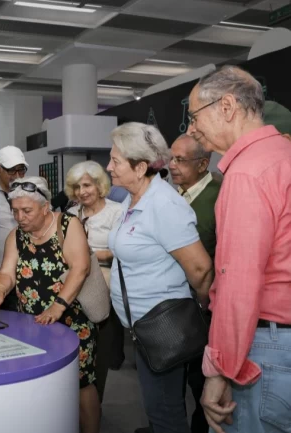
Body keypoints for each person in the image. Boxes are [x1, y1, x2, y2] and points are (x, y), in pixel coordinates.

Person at [187, 66, 291, 433]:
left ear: (227, 106)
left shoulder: (247, 172)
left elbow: (239, 282)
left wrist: (219, 369)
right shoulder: (283, 154)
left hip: (266, 347)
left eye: (195, 116)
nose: (192, 129)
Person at [106, 122, 213, 433]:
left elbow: (201, 270)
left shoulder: (164, 204)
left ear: (140, 168)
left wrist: (200, 313)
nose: (109, 167)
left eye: (115, 161)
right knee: (157, 405)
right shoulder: (133, 199)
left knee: (165, 412)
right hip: (143, 327)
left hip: (163, 327)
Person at [0, 177, 100, 433]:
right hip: (33, 325)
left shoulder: (68, 225)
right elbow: (7, 273)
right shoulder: (16, 236)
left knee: (81, 383)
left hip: (72, 323)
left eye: (27, 211)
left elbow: (80, 268)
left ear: (45, 207)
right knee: (44, 381)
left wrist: (58, 306)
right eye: (15, 211)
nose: (20, 217)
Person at [169, 134, 221, 433]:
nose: (172, 165)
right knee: (176, 375)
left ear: (203, 164)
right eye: (171, 158)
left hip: (205, 306)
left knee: (202, 380)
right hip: (176, 307)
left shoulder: (219, 196)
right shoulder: (174, 195)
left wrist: (206, 301)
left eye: (180, 160)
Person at [64, 161, 124, 402]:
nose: (82, 192)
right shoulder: (71, 215)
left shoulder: (117, 212)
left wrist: (85, 255)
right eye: (77, 187)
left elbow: (119, 251)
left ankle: (94, 402)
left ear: (100, 186)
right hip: (76, 287)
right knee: (79, 348)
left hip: (106, 288)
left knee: (102, 347)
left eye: (87, 185)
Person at [0, 146, 28, 310]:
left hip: (28, 275)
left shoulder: (31, 192)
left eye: (21, 170)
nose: (17, 176)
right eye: (12, 170)